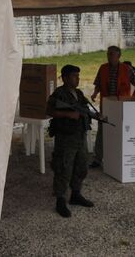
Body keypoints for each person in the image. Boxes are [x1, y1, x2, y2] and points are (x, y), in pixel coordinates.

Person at [47, 64, 95, 218]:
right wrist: (67, 114)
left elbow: (85, 110)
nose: (77, 79)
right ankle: (60, 200)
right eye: (74, 76)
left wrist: (96, 116)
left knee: (81, 166)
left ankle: (75, 194)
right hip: (66, 137)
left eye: (78, 76)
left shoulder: (79, 93)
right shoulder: (59, 94)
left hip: (79, 135)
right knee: (63, 168)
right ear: (65, 78)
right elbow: (48, 110)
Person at [90, 46, 135, 168]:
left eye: (112, 54)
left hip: (122, 106)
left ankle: (118, 158)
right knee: (102, 130)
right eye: (108, 54)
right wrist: (95, 93)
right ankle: (98, 159)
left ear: (119, 56)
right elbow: (98, 84)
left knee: (120, 131)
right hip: (106, 105)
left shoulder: (127, 69)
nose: (109, 56)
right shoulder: (103, 68)